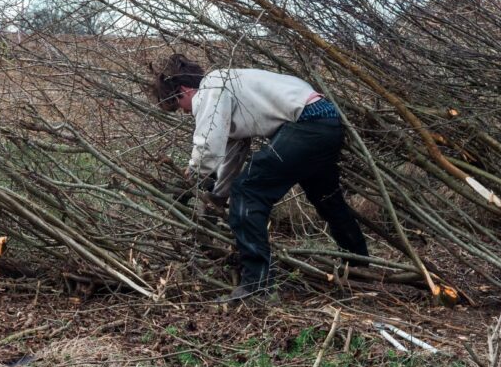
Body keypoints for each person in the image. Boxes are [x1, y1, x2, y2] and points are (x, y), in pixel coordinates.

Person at [147, 53, 369, 303]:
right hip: (324, 121)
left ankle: (257, 286)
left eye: (179, 106)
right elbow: (232, 153)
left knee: (248, 193)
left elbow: (208, 146)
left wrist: (192, 179)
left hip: (305, 123)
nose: (184, 113)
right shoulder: (229, 86)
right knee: (326, 198)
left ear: (185, 90)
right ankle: (359, 264)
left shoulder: (212, 86)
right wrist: (217, 195)